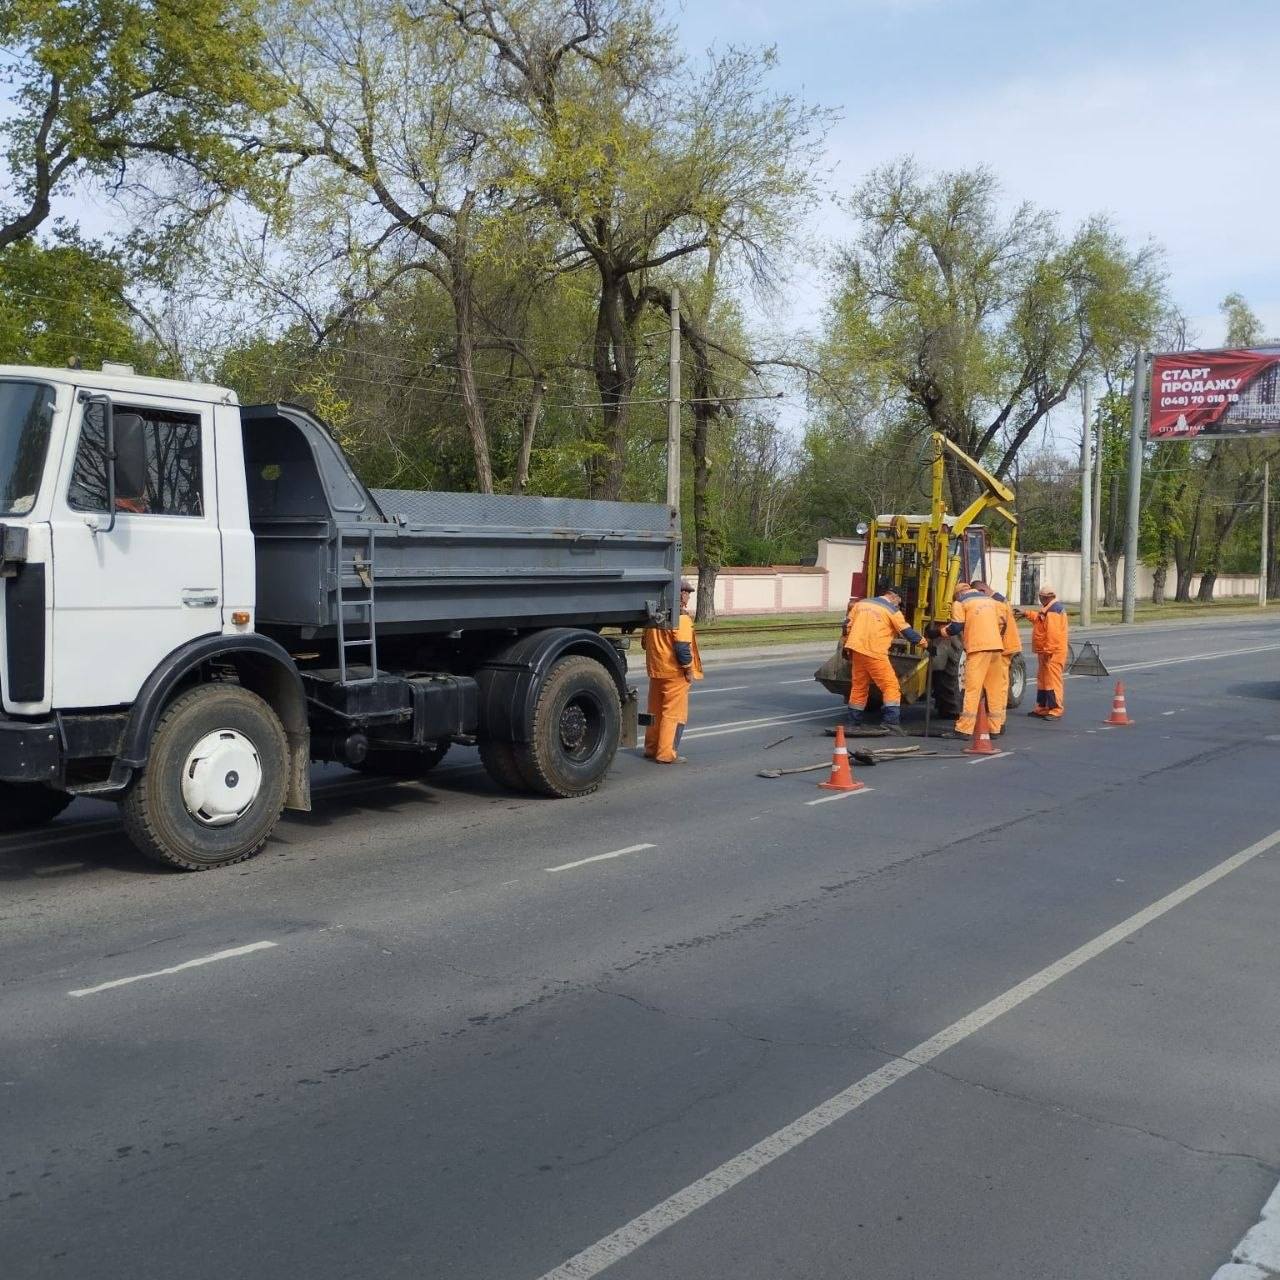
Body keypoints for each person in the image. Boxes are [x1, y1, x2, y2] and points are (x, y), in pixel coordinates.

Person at [842, 582, 926, 731]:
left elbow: (846, 626)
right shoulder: (892, 611)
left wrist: (846, 645)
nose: (898, 605)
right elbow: (908, 633)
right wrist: (925, 644)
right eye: (899, 602)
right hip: (875, 652)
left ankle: (853, 723)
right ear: (894, 597)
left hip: (856, 650)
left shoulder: (861, 604)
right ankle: (891, 723)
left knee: (859, 686)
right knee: (890, 686)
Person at [642, 580, 703, 763]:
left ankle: (651, 748)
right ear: (681, 595)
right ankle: (666, 754)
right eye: (687, 593)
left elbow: (644, 644)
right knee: (673, 715)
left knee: (655, 711)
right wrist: (688, 670)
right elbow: (682, 649)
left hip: (656, 672)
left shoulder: (654, 618)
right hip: (675, 674)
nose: (689, 597)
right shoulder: (681, 619)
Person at [936, 580, 1006, 737]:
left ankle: (964, 729)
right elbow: (1003, 622)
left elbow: (956, 627)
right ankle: (995, 728)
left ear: (958, 594)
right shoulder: (990, 601)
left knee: (972, 690)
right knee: (994, 689)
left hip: (978, 649)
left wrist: (938, 632)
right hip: (996, 648)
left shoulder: (960, 602)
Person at [974, 581, 1020, 737]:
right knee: (999, 686)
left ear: (982, 591)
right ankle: (998, 722)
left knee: (998, 687)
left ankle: (997, 723)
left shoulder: (996, 602)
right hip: (1003, 646)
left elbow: (997, 626)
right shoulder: (999, 600)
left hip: (1003, 648)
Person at [1016, 586, 1068, 719]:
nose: (1040, 599)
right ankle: (1043, 708)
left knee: (1052, 681)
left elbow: (1053, 634)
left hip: (1052, 653)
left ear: (1046, 597)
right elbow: (1039, 620)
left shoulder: (1053, 611)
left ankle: (1056, 709)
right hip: (1046, 652)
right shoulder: (1049, 609)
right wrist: (1026, 613)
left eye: (1041, 597)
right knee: (1044, 681)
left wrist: (1048, 652)